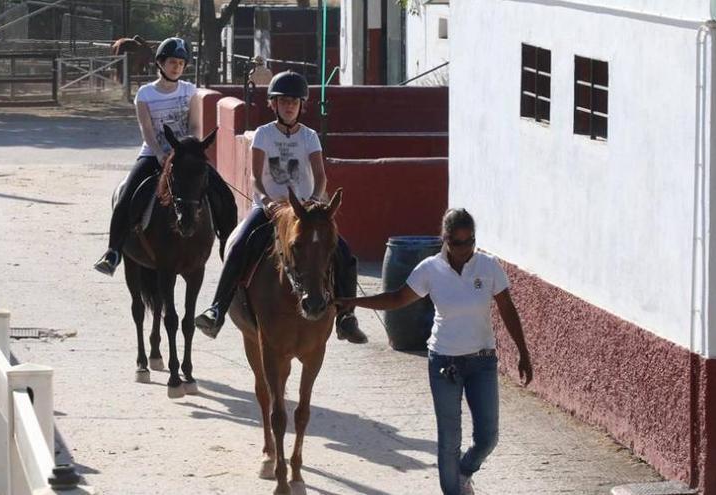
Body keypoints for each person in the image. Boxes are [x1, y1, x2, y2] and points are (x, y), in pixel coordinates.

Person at [338, 208, 533, 495]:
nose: (465, 250)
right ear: (445, 240)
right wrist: (352, 302)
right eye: (457, 243)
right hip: (444, 363)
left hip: (482, 362)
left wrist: (523, 351)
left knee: (488, 437)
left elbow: (507, 308)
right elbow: (397, 298)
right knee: (449, 438)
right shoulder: (430, 269)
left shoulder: (488, 266)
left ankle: (465, 472)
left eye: (470, 242)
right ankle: (453, 490)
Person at [194, 70, 368, 344]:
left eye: (294, 102)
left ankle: (346, 317)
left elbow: (320, 176)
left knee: (344, 252)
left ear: (301, 105)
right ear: (273, 105)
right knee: (238, 245)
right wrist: (266, 202)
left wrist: (313, 199)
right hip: (269, 209)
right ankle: (217, 309)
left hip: (306, 213)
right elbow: (255, 176)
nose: (289, 106)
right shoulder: (263, 135)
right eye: (283, 101)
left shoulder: (310, 137)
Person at [94, 37, 233, 275]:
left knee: (224, 195)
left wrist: (189, 152)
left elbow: (196, 126)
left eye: (181, 63)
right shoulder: (146, 94)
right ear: (160, 63)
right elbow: (147, 130)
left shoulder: (191, 91)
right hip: (153, 154)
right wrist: (160, 154)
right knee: (126, 196)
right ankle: (113, 251)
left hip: (186, 155)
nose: (176, 67)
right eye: (172, 62)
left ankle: (228, 249)